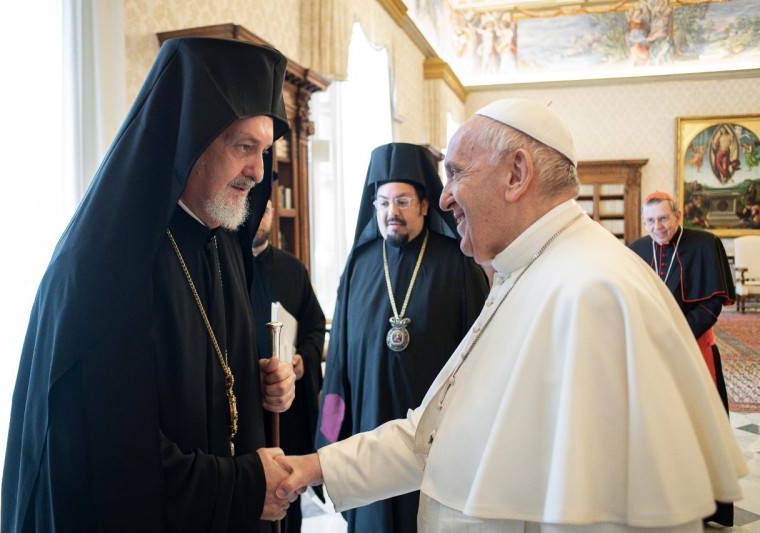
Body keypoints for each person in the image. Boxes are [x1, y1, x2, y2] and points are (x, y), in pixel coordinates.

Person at [277, 98, 747, 532]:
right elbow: (438, 435)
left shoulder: (591, 292)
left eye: (457, 173)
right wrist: (313, 467)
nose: (444, 198)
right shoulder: (525, 270)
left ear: (516, 173)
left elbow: (601, 508)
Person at [2, 38, 299, 532]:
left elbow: (209, 384)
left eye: (265, 151)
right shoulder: (104, 268)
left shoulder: (221, 243)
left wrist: (263, 380)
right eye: (244, 146)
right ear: (189, 139)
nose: (258, 171)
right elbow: (108, 462)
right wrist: (243, 487)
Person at [317, 142, 489, 532]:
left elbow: (481, 360)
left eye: (402, 201)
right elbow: (338, 366)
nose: (391, 212)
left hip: (436, 447)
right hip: (367, 428)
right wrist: (328, 439)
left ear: (425, 205)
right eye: (382, 202)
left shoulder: (457, 263)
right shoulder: (359, 266)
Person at [629, 190, 737, 526]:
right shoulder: (637, 250)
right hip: (654, 351)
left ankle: (705, 505)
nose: (657, 227)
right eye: (650, 220)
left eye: (663, 218)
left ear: (677, 216)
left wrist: (676, 337)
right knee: (660, 425)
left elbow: (711, 304)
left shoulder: (704, 244)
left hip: (694, 347)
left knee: (698, 424)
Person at [250, 199, 327, 533]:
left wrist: (301, 362)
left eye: (267, 208)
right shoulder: (224, 266)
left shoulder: (292, 268)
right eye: (256, 208)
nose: (262, 215)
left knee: (288, 493)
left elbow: (314, 327)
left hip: (289, 409)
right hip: (246, 407)